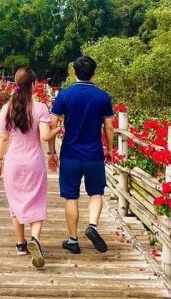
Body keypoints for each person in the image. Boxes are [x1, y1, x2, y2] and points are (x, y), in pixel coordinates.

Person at [48, 56, 115, 254]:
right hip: (94, 154)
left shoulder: (65, 95)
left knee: (71, 197)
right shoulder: (102, 97)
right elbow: (109, 127)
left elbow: (52, 124)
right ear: (94, 73)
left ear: (73, 72)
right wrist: (109, 149)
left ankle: (73, 240)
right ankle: (92, 226)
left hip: (70, 153)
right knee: (96, 192)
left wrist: (52, 151)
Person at [0, 67, 61, 268]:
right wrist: (58, 128)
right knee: (37, 200)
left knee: (15, 203)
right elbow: (45, 136)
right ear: (33, 85)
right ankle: (35, 240)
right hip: (34, 162)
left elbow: (3, 137)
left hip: (13, 162)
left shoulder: (6, 109)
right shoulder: (40, 108)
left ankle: (21, 244)